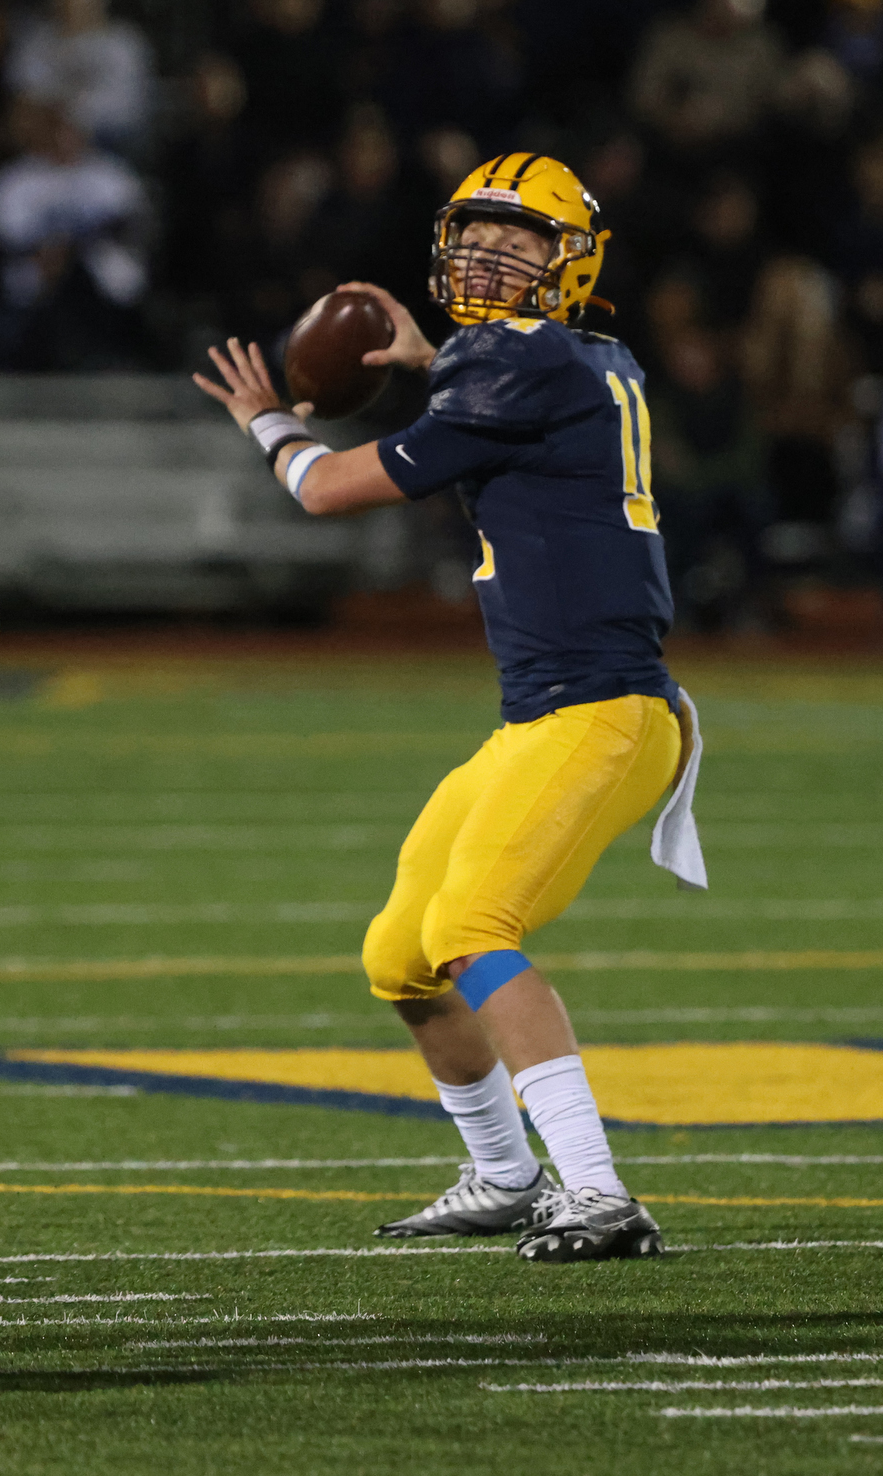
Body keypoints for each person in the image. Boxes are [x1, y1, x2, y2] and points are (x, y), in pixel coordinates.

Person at [195, 154, 705, 1262]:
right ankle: (501, 1173)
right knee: (400, 953)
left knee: (472, 927)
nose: (486, 254)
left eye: (518, 239)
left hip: (602, 713)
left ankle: (598, 1193)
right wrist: (438, 359)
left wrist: (265, 419)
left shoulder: (522, 359)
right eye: (474, 233)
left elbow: (323, 490)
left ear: (569, 264)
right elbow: (512, 388)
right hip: (543, 715)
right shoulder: (581, 356)